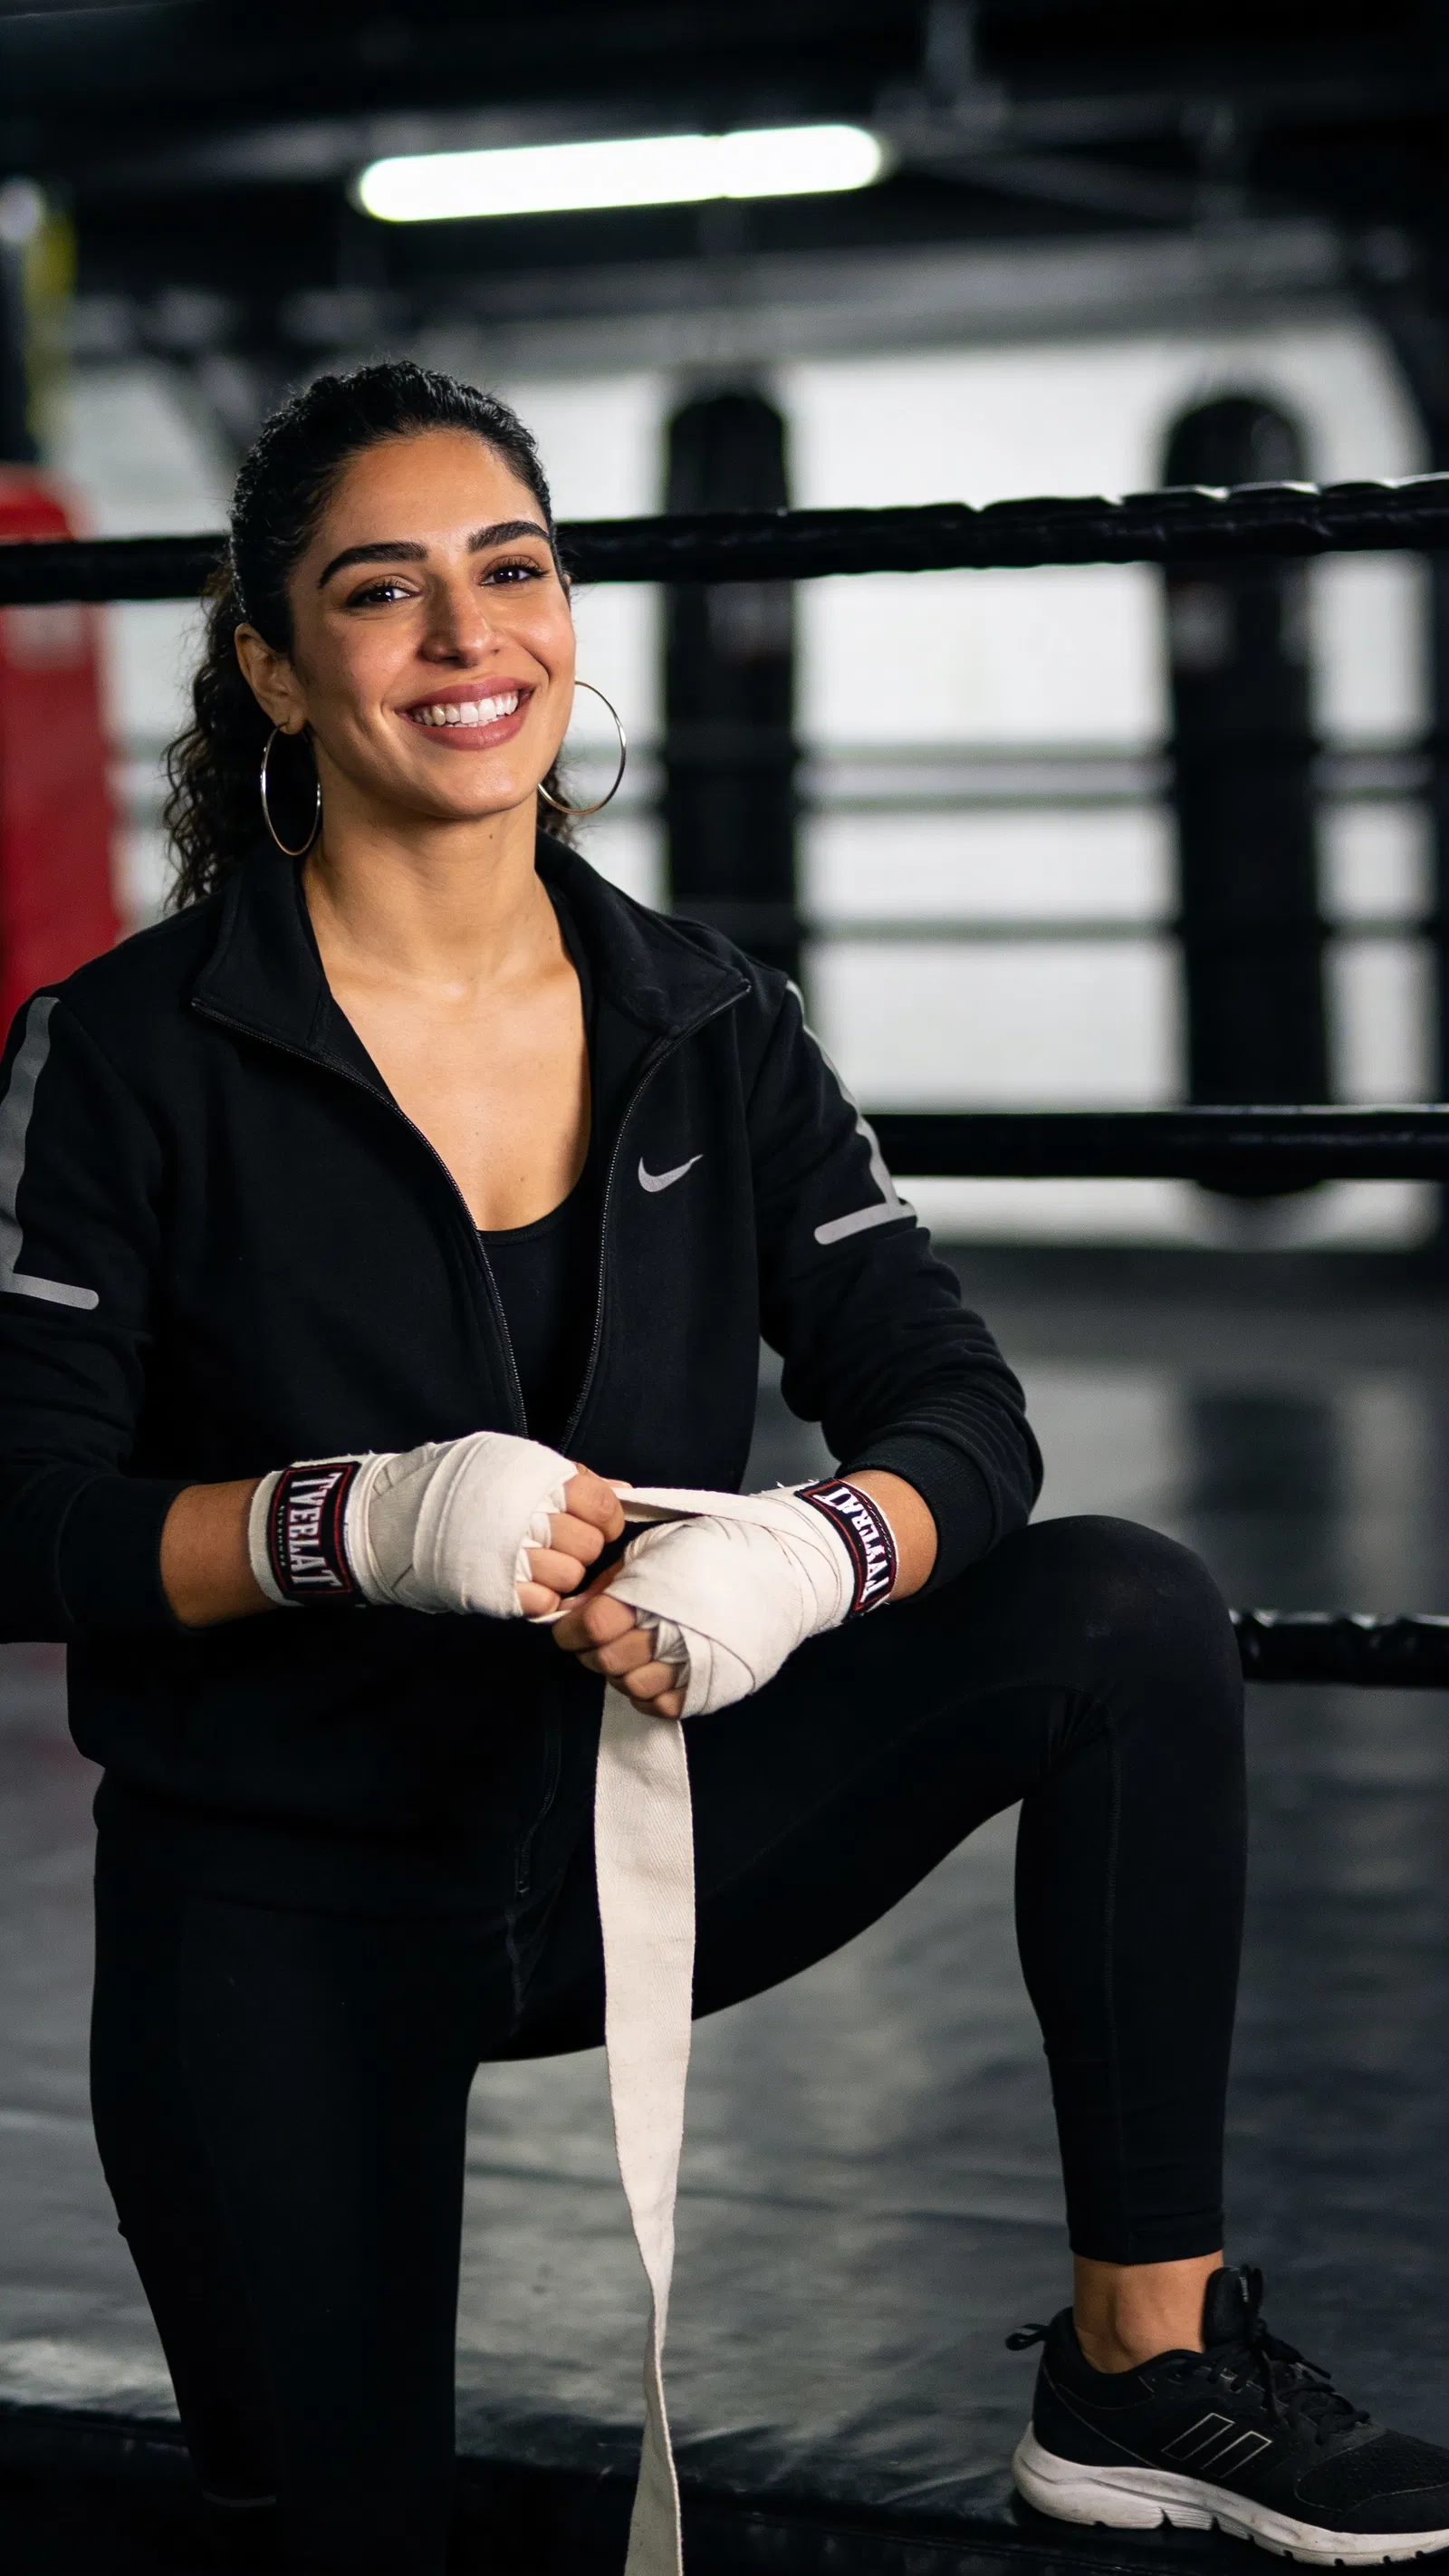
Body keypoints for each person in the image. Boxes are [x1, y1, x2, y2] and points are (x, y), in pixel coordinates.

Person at [0, 360, 1443, 2576]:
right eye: (383, 594)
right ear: (275, 667)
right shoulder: (120, 1054)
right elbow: (24, 1517)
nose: (470, 638)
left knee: (1125, 1608)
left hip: (621, 1849)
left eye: (514, 570)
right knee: (329, 2531)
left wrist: (812, 1553)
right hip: (281, 1911)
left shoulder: (706, 1018)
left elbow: (959, 1408)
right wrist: (356, 1523)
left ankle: (1137, 2373)